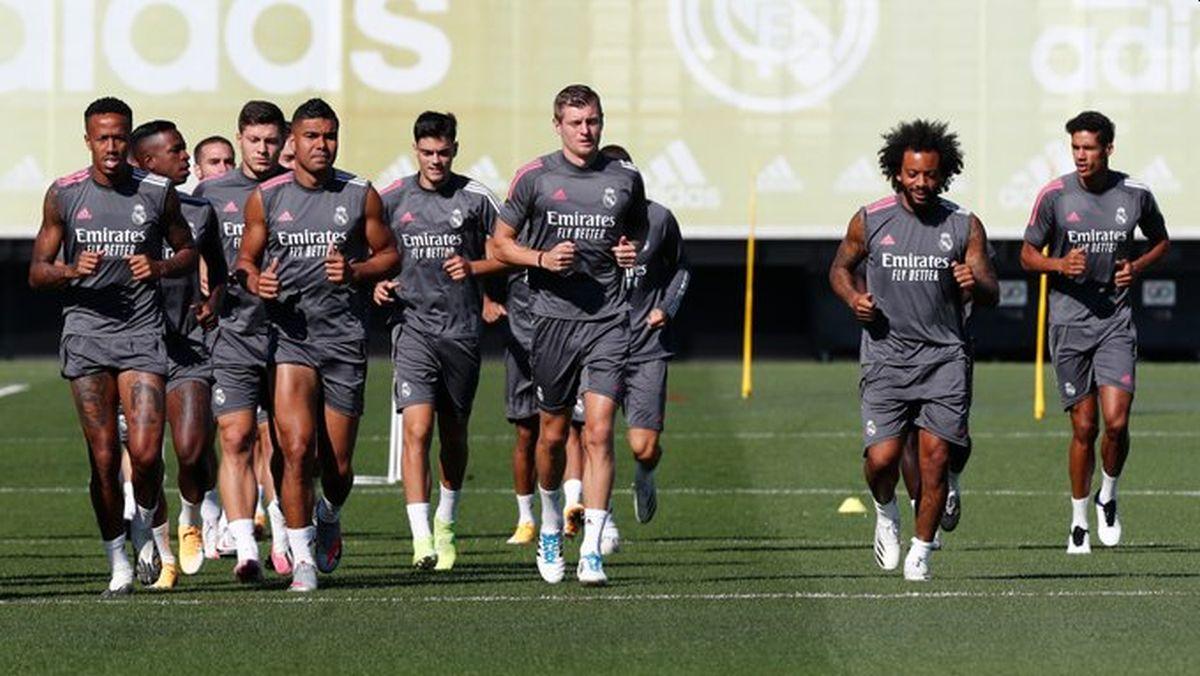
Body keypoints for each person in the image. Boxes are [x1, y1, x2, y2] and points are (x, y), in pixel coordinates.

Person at [28, 97, 198, 596]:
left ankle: (145, 525)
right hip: (86, 335)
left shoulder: (158, 192)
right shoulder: (64, 194)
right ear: (88, 140)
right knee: (103, 458)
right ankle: (118, 562)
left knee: (145, 454)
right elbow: (36, 271)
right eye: (102, 138)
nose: (111, 146)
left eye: (120, 137)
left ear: (129, 141)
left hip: (142, 334)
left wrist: (161, 267)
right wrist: (68, 271)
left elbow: (187, 251)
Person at [237, 98, 400, 592]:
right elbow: (245, 260)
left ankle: (329, 512)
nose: (322, 145)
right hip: (292, 340)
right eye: (312, 136)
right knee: (297, 448)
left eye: (329, 135)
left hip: (344, 339)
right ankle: (302, 559)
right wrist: (254, 282)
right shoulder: (268, 197)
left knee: (339, 467)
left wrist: (356, 271)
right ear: (293, 140)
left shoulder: (359, 193)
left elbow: (390, 254)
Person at [828, 119, 997, 581]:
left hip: (945, 357)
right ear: (897, 173)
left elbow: (991, 290)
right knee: (881, 460)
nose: (922, 183)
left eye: (930, 175)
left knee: (936, 458)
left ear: (944, 174)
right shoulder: (870, 219)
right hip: (885, 357)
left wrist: (974, 282)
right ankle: (886, 513)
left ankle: (921, 552)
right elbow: (839, 269)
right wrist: (853, 299)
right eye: (913, 174)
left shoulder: (964, 224)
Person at [492, 84, 643, 586]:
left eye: (594, 121)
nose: (586, 131)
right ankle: (552, 525)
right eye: (576, 123)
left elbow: (635, 234)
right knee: (552, 435)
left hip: (608, 321)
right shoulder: (534, 177)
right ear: (557, 125)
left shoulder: (624, 178)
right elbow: (499, 245)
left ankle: (593, 550)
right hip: (552, 322)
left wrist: (629, 252)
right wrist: (541, 259)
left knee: (599, 431)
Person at [1020, 111, 1169, 554]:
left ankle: (1110, 494)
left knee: (1117, 423)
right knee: (1084, 428)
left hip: (1115, 323)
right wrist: (1057, 264)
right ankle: (1079, 521)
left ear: (1108, 148)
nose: (1081, 156)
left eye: (1089, 148)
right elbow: (1027, 254)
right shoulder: (1054, 196)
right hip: (1068, 325)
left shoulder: (1136, 193)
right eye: (1075, 148)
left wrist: (1136, 267)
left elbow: (1161, 240)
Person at [374, 111, 505, 570]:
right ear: (415, 150)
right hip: (412, 329)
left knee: (453, 436)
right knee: (417, 428)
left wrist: (477, 272)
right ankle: (420, 538)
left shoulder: (475, 198)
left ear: (454, 149)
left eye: (443, 152)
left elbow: (509, 251)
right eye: (427, 153)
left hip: (462, 331)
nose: (436, 160)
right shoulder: (391, 198)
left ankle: (447, 524)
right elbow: (370, 255)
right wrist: (378, 283)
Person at [192, 101, 289, 581]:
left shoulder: (298, 188)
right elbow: (198, 251)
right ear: (241, 138)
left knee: (284, 442)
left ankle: (284, 535)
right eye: (254, 140)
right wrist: (206, 297)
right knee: (235, 436)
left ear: (284, 140)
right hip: (232, 332)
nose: (264, 149)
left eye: (272, 140)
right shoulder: (212, 191)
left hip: (291, 334)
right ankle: (246, 546)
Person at [128, 119, 227, 586]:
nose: (186, 158)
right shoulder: (122, 212)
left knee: (191, 450)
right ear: (149, 162)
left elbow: (221, 274)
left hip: (189, 349)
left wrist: (212, 305)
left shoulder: (200, 211)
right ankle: (163, 549)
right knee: (146, 459)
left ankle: (190, 518)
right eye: (177, 151)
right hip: (135, 349)